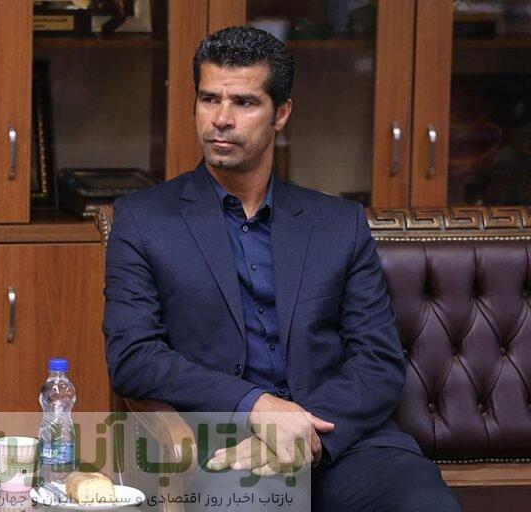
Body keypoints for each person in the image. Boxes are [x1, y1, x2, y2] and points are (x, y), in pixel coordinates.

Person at [103, 26, 463, 511]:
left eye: (244, 102)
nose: (221, 119)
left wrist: (304, 434)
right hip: (222, 447)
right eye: (209, 99)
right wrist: (255, 404)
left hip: (341, 443)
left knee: (423, 502)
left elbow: (378, 360)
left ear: (282, 114)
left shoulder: (337, 224)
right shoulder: (143, 220)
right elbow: (133, 357)